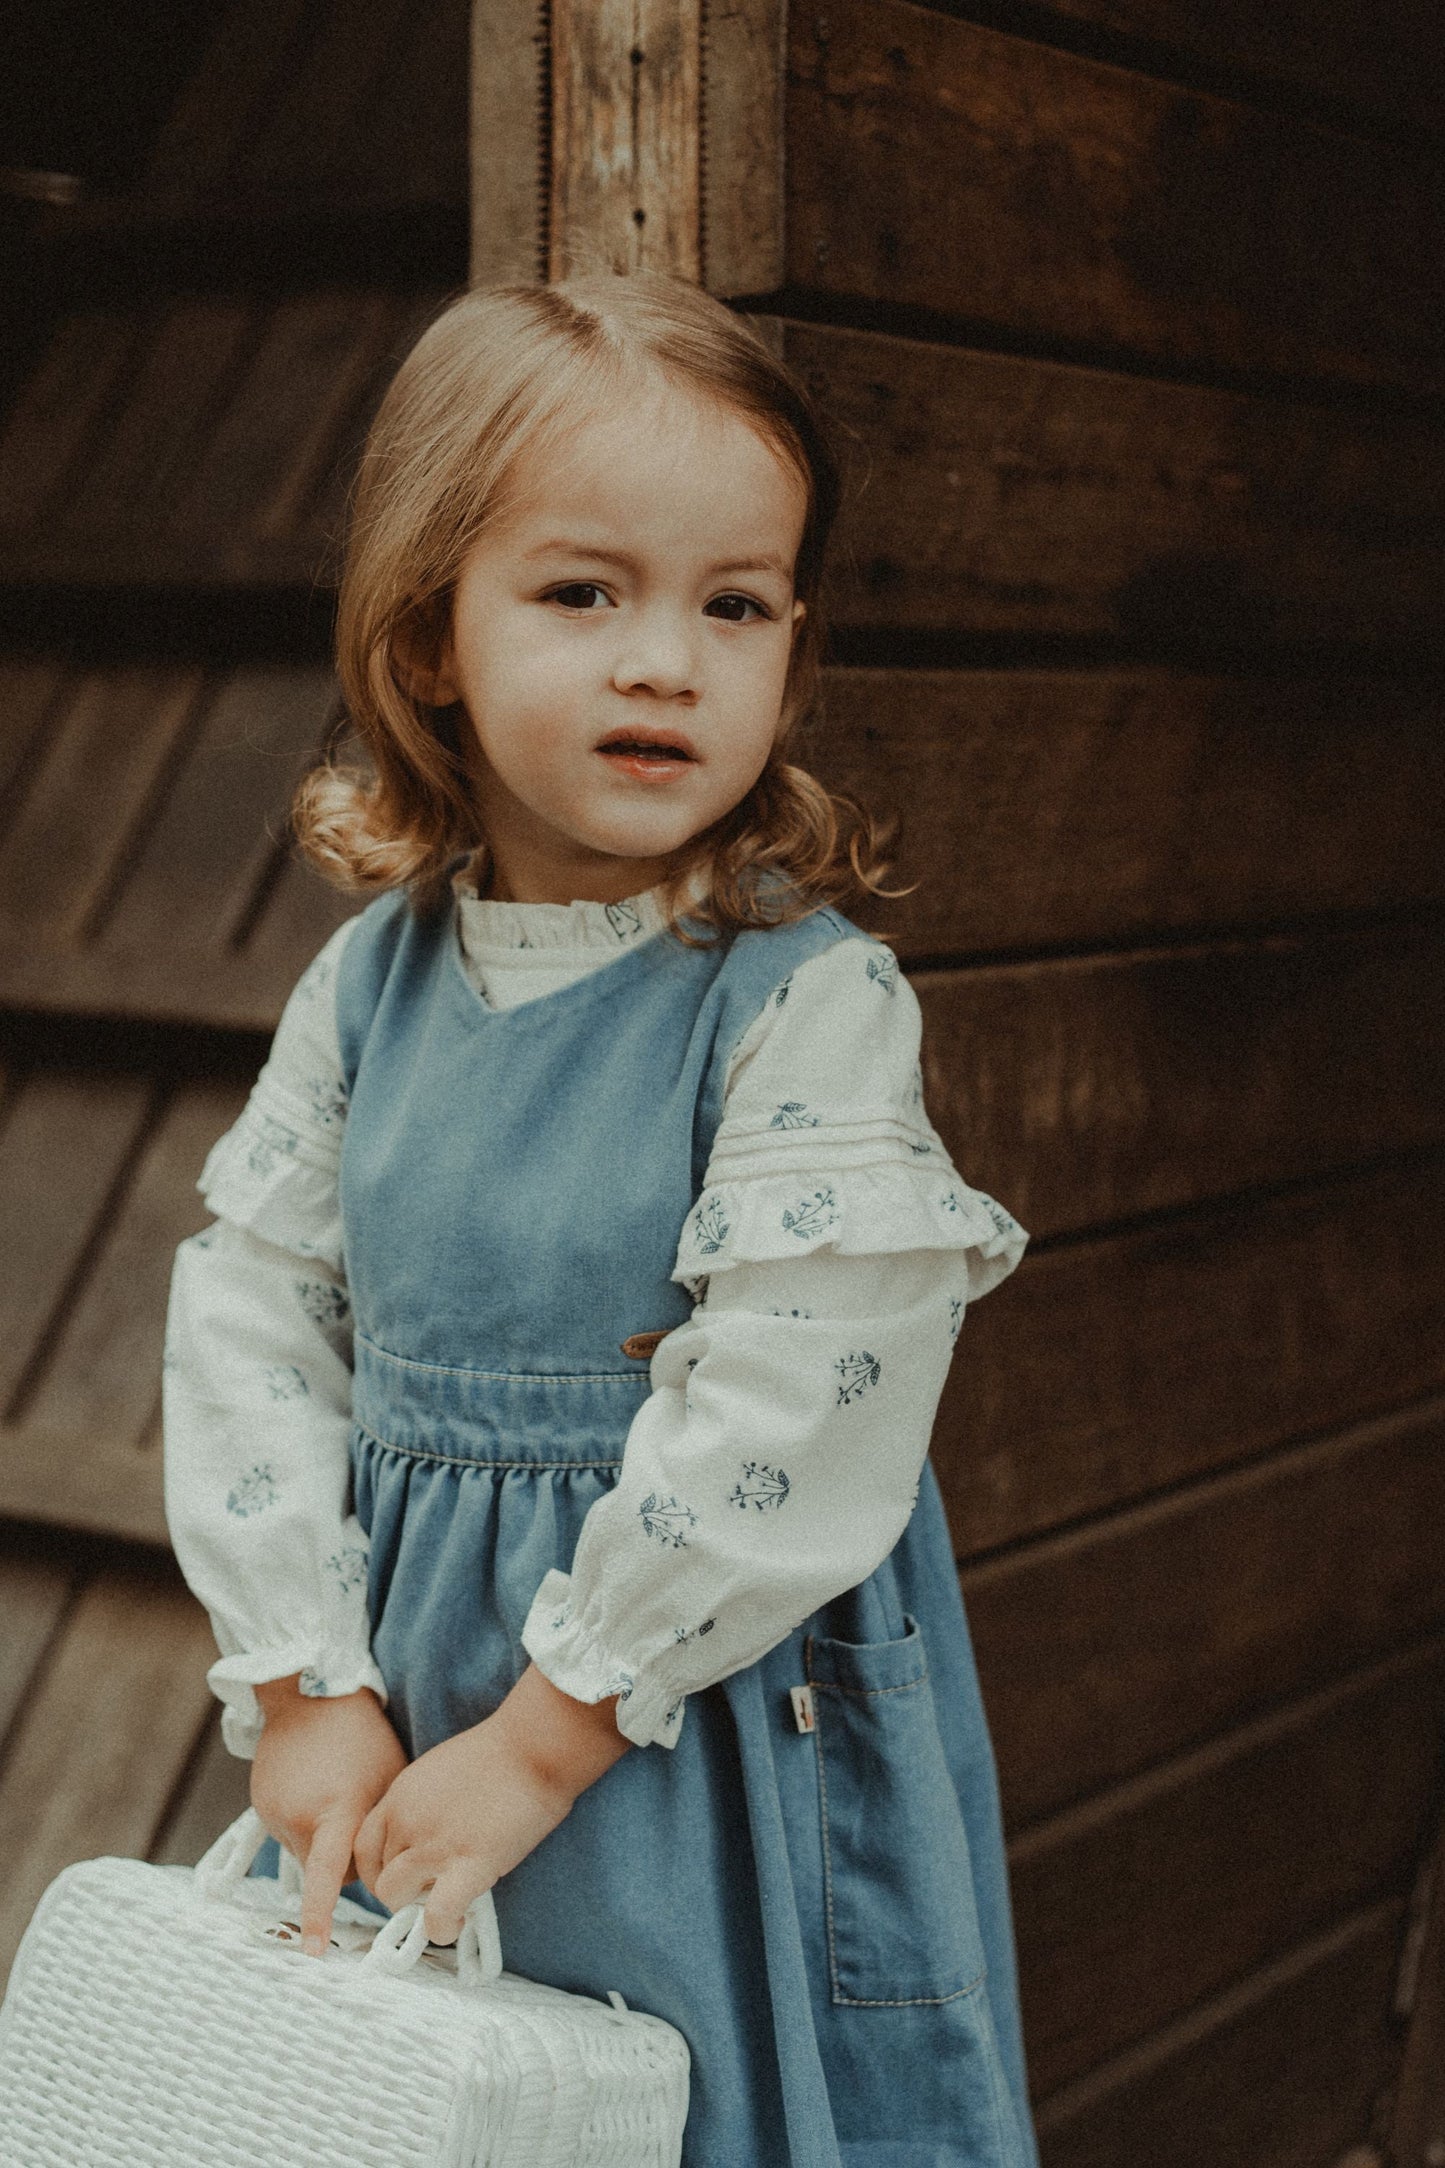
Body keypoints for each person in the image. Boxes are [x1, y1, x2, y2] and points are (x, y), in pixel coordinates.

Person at [163, 270, 1038, 2167]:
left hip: (685, 1707)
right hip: (400, 1686)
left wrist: (554, 1735)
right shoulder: (370, 987)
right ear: (427, 647)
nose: (666, 662)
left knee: (693, 2100)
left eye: (734, 607)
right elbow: (250, 1311)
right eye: (584, 594)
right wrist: (310, 1681)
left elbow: (802, 1386)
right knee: (422, 2100)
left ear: (790, 657)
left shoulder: (794, 1000)